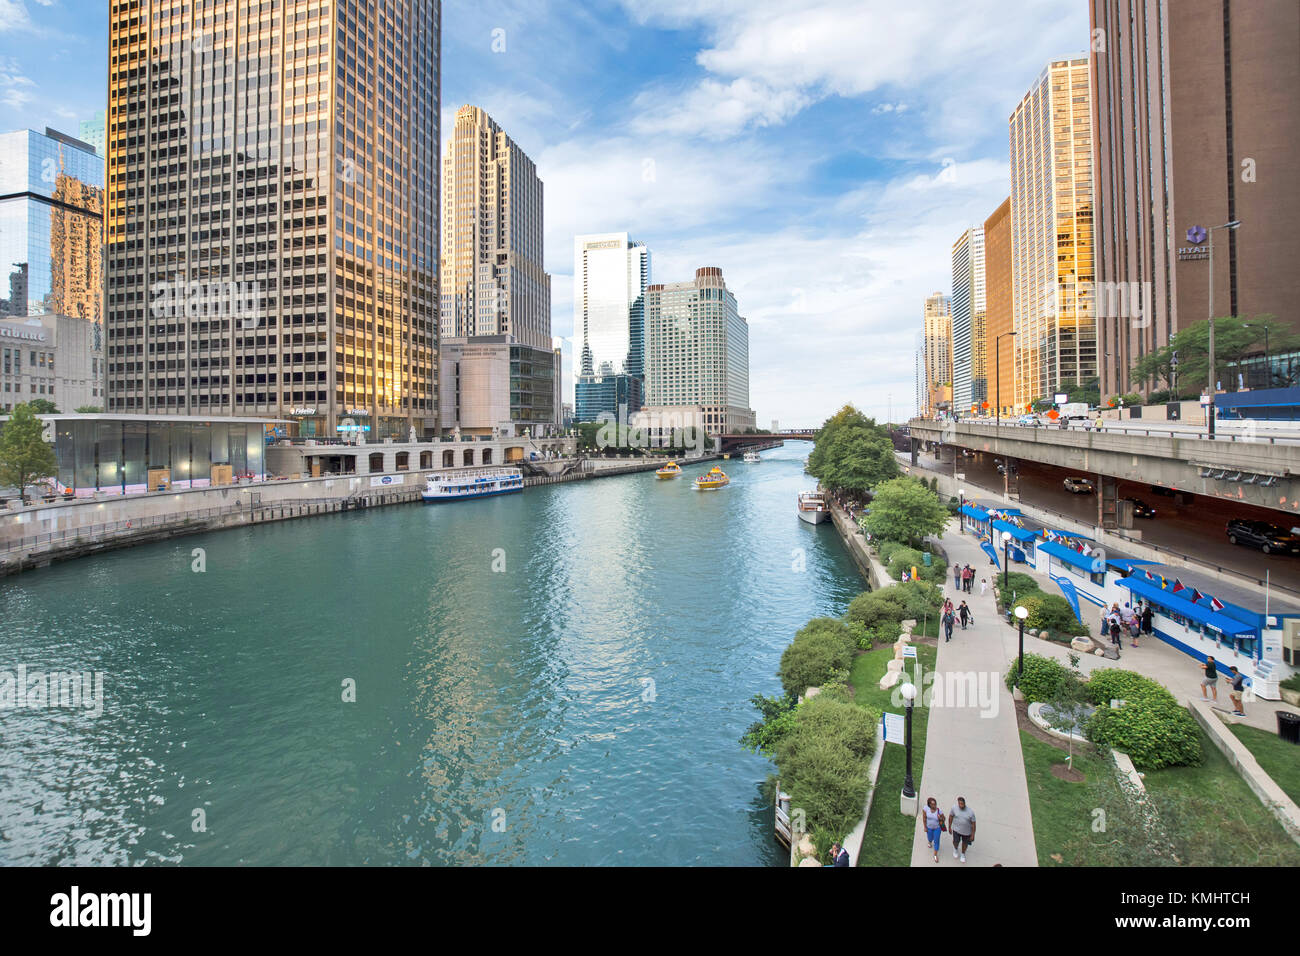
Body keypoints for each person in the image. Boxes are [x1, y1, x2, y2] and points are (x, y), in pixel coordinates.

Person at [949, 797, 976, 863]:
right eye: (959, 803)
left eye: (962, 804)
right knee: (955, 842)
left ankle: (963, 854)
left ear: (964, 803)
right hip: (956, 830)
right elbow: (951, 816)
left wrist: (973, 835)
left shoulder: (970, 812)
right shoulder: (954, 808)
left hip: (966, 832)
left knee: (965, 844)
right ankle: (955, 849)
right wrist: (949, 826)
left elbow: (973, 824)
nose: (961, 805)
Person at [919, 798, 945, 864]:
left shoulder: (939, 811)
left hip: (937, 828)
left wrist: (940, 818)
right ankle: (930, 842)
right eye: (933, 804)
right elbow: (924, 818)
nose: (934, 805)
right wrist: (925, 827)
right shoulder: (926, 809)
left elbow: (944, 818)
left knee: (936, 841)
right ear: (929, 804)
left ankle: (935, 855)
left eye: (935, 804)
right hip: (929, 827)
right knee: (930, 838)